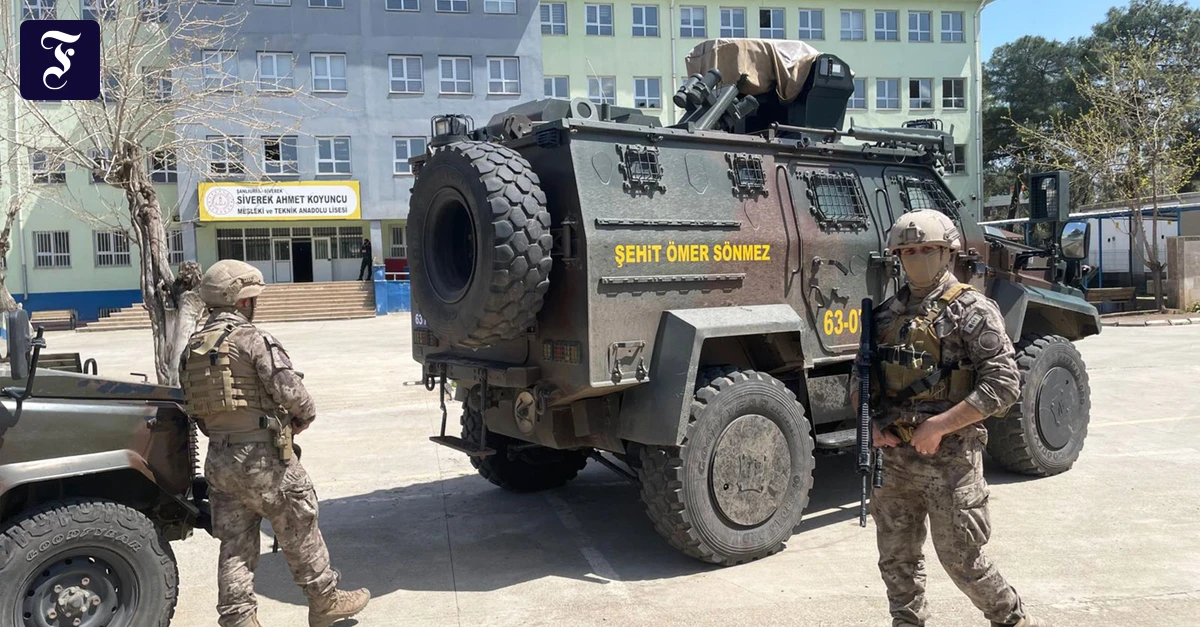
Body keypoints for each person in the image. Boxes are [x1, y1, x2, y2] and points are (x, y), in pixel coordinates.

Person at [863, 209, 1048, 627]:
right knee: (896, 563)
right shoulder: (884, 316)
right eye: (908, 250)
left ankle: (1010, 618)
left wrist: (939, 426)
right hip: (894, 462)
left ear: (948, 252)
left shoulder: (972, 310)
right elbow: (863, 382)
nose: (917, 256)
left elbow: (1004, 385)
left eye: (928, 248)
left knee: (964, 562)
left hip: (951, 460)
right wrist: (872, 426)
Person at [179, 259, 370, 627]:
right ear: (243, 301)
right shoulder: (251, 338)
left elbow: (198, 411)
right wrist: (302, 418)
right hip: (263, 459)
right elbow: (294, 394)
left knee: (235, 543)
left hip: (220, 459)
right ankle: (325, 601)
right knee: (300, 523)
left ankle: (238, 620)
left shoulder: (192, 349)